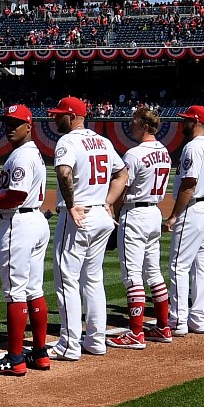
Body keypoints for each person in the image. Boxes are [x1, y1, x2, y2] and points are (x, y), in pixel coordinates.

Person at [48, 96, 125, 358]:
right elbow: (122, 173)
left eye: (59, 114)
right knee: (93, 280)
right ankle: (96, 340)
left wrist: (71, 204)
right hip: (100, 217)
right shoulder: (103, 141)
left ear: (71, 117)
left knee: (67, 280)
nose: (54, 118)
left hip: (79, 216)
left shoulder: (67, 140)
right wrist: (109, 202)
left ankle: (69, 345)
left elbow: (64, 172)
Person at [0, 105, 53, 374]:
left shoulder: (21, 157)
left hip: (19, 223)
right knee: (34, 289)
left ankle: (15, 358)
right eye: (7, 123)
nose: (9, 127)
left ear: (29, 126)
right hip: (35, 222)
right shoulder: (32, 153)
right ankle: (40, 353)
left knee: (15, 292)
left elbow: (16, 194)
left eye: (16, 123)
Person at [109, 105, 173, 348]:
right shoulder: (165, 152)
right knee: (153, 272)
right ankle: (163, 327)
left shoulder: (134, 154)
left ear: (145, 126)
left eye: (134, 122)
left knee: (133, 275)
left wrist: (113, 217)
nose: (130, 125)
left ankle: (136, 332)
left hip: (135, 214)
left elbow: (122, 189)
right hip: (154, 213)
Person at [164, 105, 204, 337]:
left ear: (196, 122)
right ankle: (197, 318)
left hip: (194, 209)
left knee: (179, 265)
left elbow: (189, 184)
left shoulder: (193, 147)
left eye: (186, 119)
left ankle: (178, 319)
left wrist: (174, 215)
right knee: (202, 267)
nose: (182, 123)